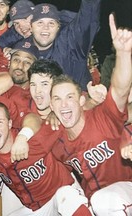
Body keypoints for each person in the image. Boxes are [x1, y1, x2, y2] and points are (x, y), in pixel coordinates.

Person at [50, 14, 132, 215]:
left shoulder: (102, 117)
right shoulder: (56, 141)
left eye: (70, 97)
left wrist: (122, 54)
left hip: (125, 191)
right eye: (58, 99)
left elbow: (120, 89)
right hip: (95, 202)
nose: (64, 104)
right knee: (63, 195)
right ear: (51, 105)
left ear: (81, 101)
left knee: (102, 200)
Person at [0, 101, 91, 215]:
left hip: (59, 199)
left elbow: (70, 116)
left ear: (9, 124)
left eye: (0, 122)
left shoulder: (34, 140)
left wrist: (55, 114)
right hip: (36, 209)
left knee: (66, 195)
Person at [26, 0, 101, 91]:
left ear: (58, 27)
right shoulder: (22, 51)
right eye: (40, 23)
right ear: (30, 27)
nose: (46, 27)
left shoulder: (71, 46)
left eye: (51, 23)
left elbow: (86, 24)